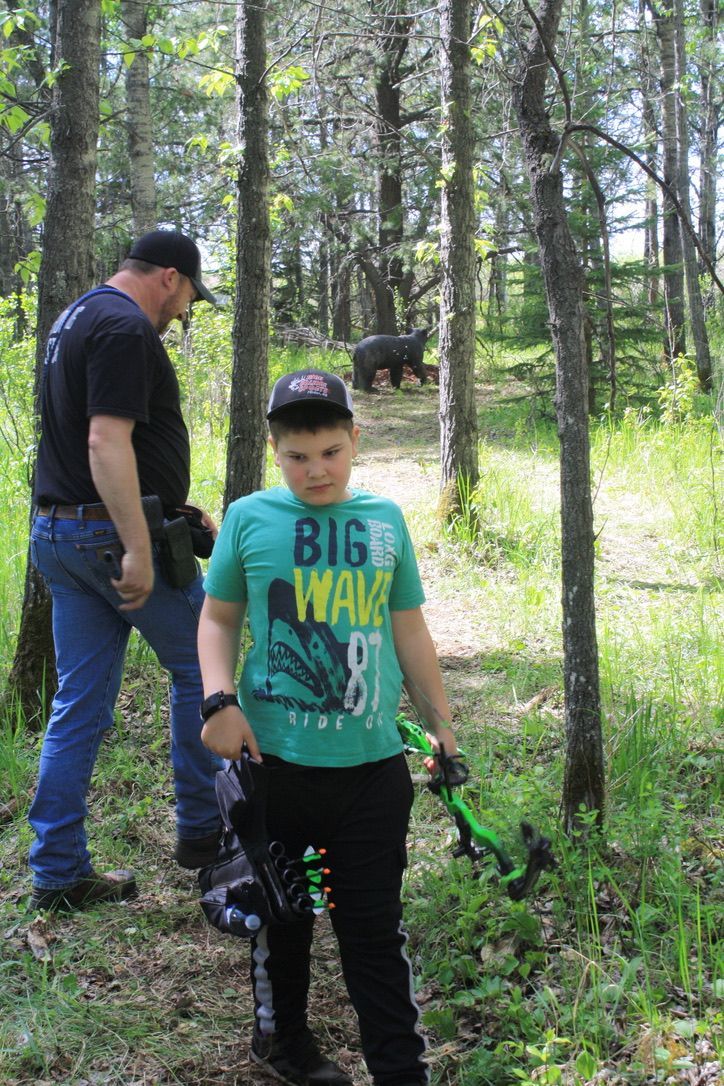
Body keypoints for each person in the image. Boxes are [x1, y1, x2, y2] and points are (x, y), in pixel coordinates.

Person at [197, 369, 462, 1086]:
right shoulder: (250, 519)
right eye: (298, 456)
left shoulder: (385, 523)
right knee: (284, 922)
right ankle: (285, 1044)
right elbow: (219, 619)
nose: (316, 470)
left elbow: (410, 633)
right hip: (273, 767)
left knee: (372, 933)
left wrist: (440, 726)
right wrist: (219, 702)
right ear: (276, 452)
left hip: (371, 774)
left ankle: (399, 1070)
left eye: (331, 452)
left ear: (355, 441)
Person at [28, 229, 224, 912]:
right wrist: (140, 544)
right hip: (109, 540)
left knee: (77, 705)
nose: (186, 311)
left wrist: (170, 506)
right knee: (204, 666)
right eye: (189, 296)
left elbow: (105, 445)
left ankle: (56, 872)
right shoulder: (125, 327)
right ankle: (206, 832)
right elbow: (103, 440)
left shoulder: (76, 316)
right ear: (169, 277)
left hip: (61, 532)